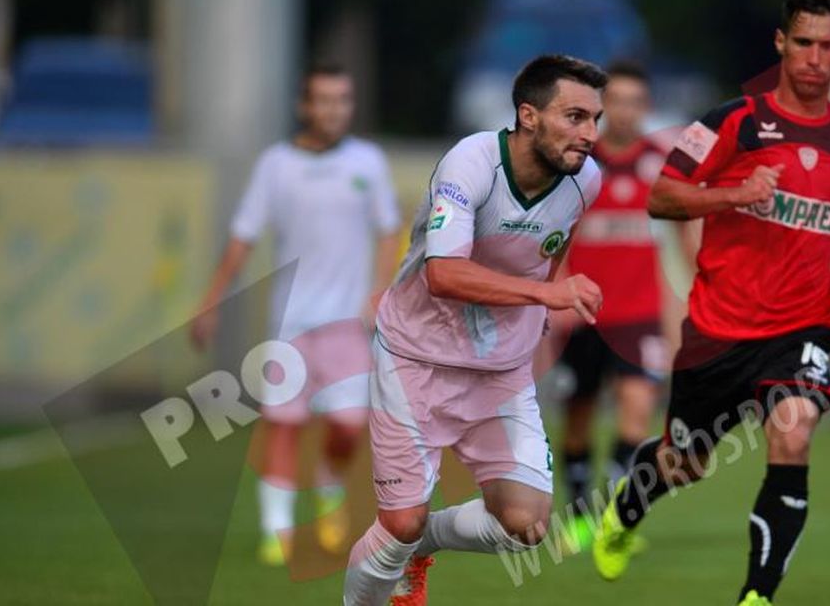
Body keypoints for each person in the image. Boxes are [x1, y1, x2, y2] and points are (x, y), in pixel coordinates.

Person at [591, 0, 830, 606]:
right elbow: (662, 197)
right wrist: (733, 194)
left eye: (827, 46)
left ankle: (757, 596)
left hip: (803, 329)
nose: (813, 57)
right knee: (685, 462)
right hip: (718, 330)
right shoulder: (731, 122)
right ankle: (626, 508)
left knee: (794, 429)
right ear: (781, 43)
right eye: (802, 42)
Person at [342, 55, 607, 606]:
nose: (589, 135)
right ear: (528, 115)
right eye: (575, 117)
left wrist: (542, 311)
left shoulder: (585, 181)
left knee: (527, 525)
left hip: (501, 373)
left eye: (594, 120)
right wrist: (545, 296)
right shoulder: (472, 162)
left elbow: (549, 251)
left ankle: (425, 544)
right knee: (399, 523)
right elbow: (443, 273)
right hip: (415, 361)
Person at [189, 63, 403, 566]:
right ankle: (276, 530)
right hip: (290, 325)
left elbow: (389, 229)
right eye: (324, 100)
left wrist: (379, 289)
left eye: (343, 99)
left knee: (349, 426)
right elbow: (243, 236)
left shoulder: (368, 161)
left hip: (349, 325)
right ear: (305, 106)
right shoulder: (276, 165)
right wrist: (209, 302)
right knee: (282, 424)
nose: (334, 109)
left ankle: (328, 490)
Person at [547, 60, 678, 551]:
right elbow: (552, 239)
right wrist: (550, 298)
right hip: (584, 314)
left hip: (641, 315)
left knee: (637, 414)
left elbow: (684, 230)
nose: (624, 112)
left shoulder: (660, 162)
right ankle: (578, 514)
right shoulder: (577, 163)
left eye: (634, 102)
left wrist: (684, 301)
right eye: (615, 102)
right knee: (579, 416)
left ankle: (610, 518)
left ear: (646, 107)